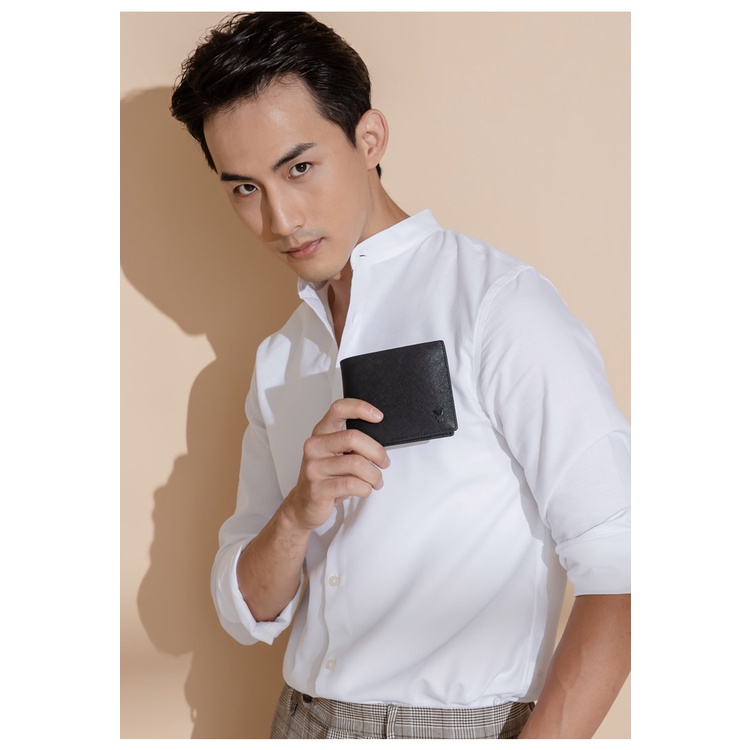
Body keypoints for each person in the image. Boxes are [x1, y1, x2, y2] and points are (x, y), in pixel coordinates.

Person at [170, 11, 631, 740]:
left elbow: (626, 562)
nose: (280, 219)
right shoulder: (282, 356)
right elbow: (247, 610)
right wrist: (298, 513)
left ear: (370, 139)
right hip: (298, 720)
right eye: (245, 189)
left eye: (299, 168)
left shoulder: (497, 306)